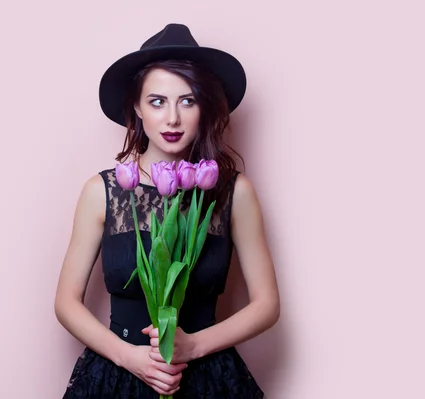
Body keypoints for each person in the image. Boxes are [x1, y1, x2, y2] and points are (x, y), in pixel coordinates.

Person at [54, 23, 280, 398]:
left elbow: (267, 305)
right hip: (117, 372)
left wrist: (194, 346)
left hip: (206, 373)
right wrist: (129, 358)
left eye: (187, 101)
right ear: (137, 109)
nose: (172, 118)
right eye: (157, 101)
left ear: (204, 108)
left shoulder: (233, 191)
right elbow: (65, 302)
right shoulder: (102, 191)